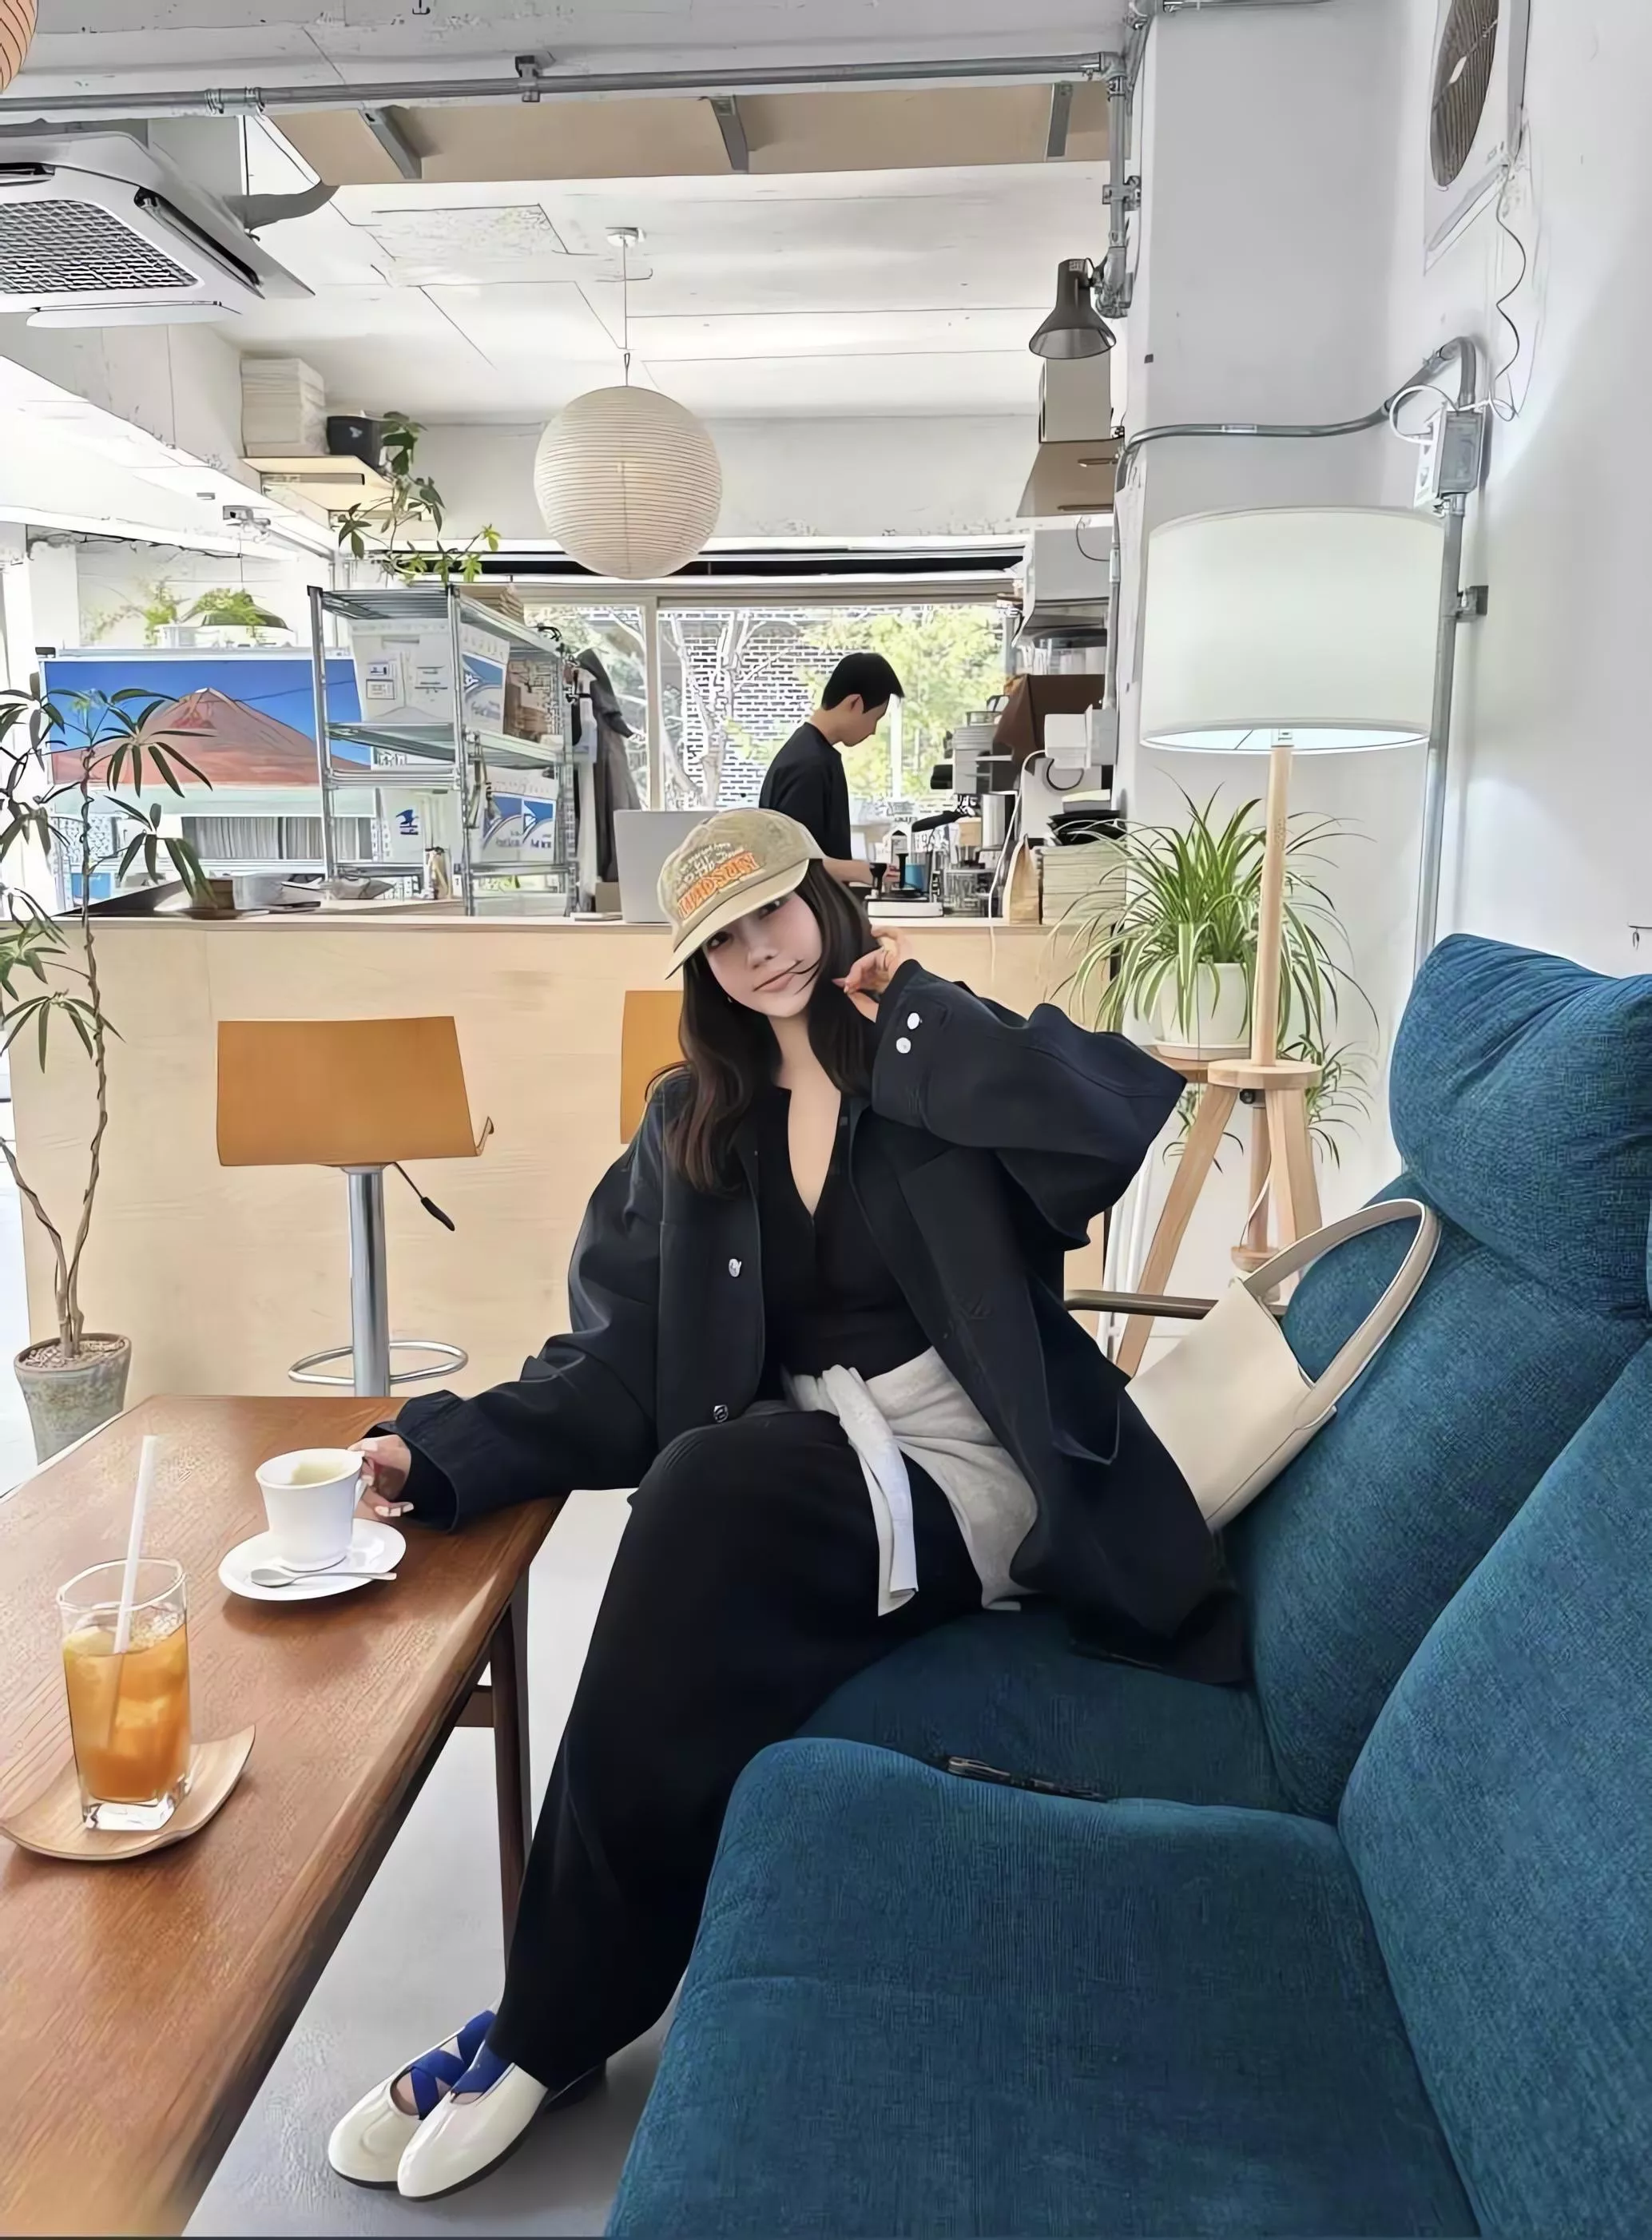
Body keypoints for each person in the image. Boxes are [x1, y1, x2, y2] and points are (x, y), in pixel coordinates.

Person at [326, 807, 1226, 2202]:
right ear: (698, 967)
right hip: (811, 1466)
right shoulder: (690, 1121)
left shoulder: (927, 1050)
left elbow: (1104, 1128)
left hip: (969, 1462)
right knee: (692, 1558)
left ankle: (541, 2026)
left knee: (706, 1491)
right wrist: (441, 1451)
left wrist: (918, 1017)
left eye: (775, 911)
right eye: (721, 939)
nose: (760, 952)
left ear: (824, 896)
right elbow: (616, 1362)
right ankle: (555, 2008)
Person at [758, 651, 903, 885]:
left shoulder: (810, 752)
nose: (873, 730)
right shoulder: (809, 764)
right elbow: (797, 863)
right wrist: (863, 871)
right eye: (875, 718)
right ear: (854, 703)